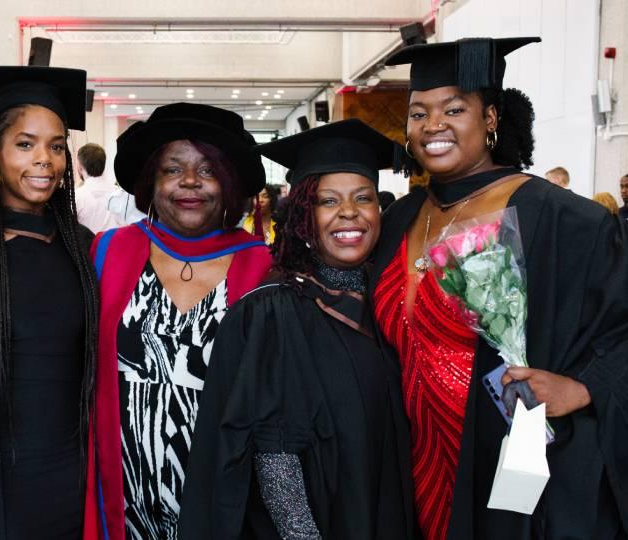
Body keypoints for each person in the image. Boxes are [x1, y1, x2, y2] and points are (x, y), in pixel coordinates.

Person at [376, 37, 628, 539]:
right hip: (411, 458)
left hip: (507, 458)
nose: (433, 125)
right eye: (418, 113)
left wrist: (589, 387)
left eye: (454, 108)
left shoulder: (560, 217)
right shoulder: (400, 219)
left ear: (492, 118)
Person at [180, 119, 414, 540]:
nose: (349, 212)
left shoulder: (390, 302)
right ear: (304, 216)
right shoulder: (277, 310)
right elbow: (275, 453)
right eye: (328, 201)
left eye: (363, 198)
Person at [84, 103, 273, 540]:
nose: (190, 182)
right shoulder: (108, 252)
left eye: (208, 170)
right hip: (124, 495)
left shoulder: (262, 266)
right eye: (173, 169)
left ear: (229, 185)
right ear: (152, 181)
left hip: (223, 495)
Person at [0, 65, 97, 539]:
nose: (43, 159)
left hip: (74, 463)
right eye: (25, 144)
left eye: (55, 145)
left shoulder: (84, 247)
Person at [75, 143, 122, 233]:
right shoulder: (120, 194)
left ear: (80, 167)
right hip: (117, 245)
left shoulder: (77, 197)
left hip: (89, 246)